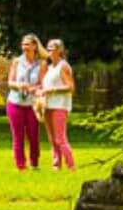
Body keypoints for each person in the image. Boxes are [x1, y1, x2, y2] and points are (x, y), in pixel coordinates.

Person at [5, 33, 45, 171]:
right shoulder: (17, 61)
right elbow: (10, 82)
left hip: (32, 104)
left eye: (27, 44)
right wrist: (19, 85)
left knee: (33, 135)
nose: (24, 47)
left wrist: (33, 88)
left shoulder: (41, 64)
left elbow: (42, 84)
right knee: (18, 136)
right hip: (15, 102)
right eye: (23, 44)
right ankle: (21, 165)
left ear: (35, 46)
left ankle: (34, 163)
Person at [39, 36, 77, 171]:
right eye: (47, 47)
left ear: (59, 50)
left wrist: (52, 90)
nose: (49, 50)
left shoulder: (63, 66)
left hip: (60, 106)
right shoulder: (50, 68)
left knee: (60, 139)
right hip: (48, 106)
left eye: (52, 48)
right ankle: (56, 165)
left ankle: (71, 166)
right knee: (51, 139)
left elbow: (71, 87)